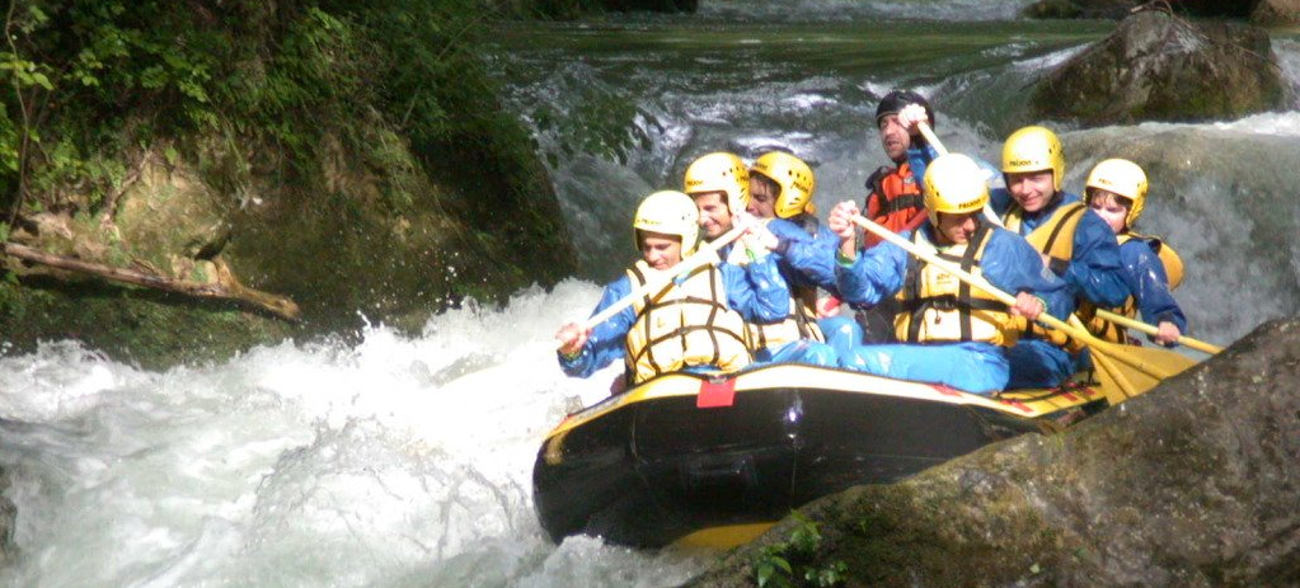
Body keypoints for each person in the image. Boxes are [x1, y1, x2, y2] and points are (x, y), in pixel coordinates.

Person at [826, 153, 1070, 395]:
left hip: (979, 362)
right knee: (847, 361)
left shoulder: (1001, 246)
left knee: (858, 362)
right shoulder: (904, 247)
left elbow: (1061, 297)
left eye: (975, 213)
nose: (971, 225)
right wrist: (848, 242)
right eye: (959, 217)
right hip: (920, 356)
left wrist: (1039, 303)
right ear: (933, 212)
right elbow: (859, 293)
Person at [555, 190, 789, 387]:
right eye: (647, 247)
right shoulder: (628, 289)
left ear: (685, 241)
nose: (653, 256)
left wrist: (756, 252)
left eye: (662, 247)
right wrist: (572, 350)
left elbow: (773, 310)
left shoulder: (722, 275)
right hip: (661, 390)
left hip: (724, 381)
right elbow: (586, 362)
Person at [991, 125, 1130, 388]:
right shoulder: (1000, 207)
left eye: (1036, 178)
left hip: (1058, 346)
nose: (1025, 189)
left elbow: (1115, 289)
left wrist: (1054, 265)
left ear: (1056, 175)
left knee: (1002, 364)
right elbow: (950, 195)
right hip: (1004, 331)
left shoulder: (1087, 224)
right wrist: (918, 140)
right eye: (1016, 179)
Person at [738, 150, 841, 366]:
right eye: (748, 196)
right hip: (761, 346)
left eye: (760, 198)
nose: (749, 206)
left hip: (800, 337)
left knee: (846, 329)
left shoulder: (813, 235)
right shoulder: (738, 233)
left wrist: (780, 245)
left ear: (787, 201)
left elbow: (835, 274)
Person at [1080, 158, 1187, 346]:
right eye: (1095, 207)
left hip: (1101, 346)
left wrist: (1166, 322)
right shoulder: (1071, 236)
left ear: (1131, 212)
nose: (1101, 216)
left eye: (1112, 210)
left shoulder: (1134, 253)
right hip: (1062, 334)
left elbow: (1158, 299)